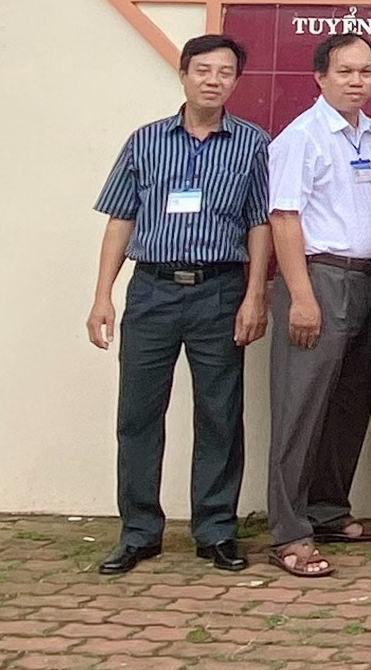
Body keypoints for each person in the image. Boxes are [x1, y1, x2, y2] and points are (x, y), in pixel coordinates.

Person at [86, 32, 272, 575]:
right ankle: (139, 532)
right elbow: (120, 219)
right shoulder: (144, 142)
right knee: (138, 414)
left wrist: (255, 294)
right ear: (184, 74)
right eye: (203, 70)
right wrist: (102, 296)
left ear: (236, 81)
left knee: (220, 414)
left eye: (225, 72)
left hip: (220, 290)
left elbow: (260, 224)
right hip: (152, 290)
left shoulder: (253, 145)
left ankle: (215, 530)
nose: (214, 81)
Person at [261, 31, 371, 578]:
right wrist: (301, 296)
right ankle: (289, 532)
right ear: (320, 77)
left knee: (347, 405)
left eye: (365, 71)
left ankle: (328, 510)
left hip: (368, 281)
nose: (356, 81)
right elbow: (284, 217)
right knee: (300, 408)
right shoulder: (302, 137)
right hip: (319, 279)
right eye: (345, 71)